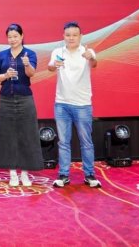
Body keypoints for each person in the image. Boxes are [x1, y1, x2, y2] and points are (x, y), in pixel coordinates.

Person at [47, 21, 101, 188]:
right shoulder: (58, 52)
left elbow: (94, 64)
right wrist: (54, 65)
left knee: (86, 142)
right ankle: (63, 175)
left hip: (82, 104)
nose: (71, 38)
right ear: (63, 36)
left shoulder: (87, 51)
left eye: (74, 35)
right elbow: (50, 67)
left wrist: (91, 57)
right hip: (61, 104)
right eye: (68, 35)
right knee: (63, 142)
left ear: (80, 36)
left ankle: (89, 175)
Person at [0, 23, 44, 187]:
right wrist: (5, 75)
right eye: (10, 37)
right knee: (8, 136)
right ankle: (13, 173)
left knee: (26, 135)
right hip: (6, 98)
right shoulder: (2, 55)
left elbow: (31, 74)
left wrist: (27, 64)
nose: (12, 39)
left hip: (25, 98)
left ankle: (25, 173)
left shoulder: (30, 53)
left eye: (15, 36)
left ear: (22, 36)